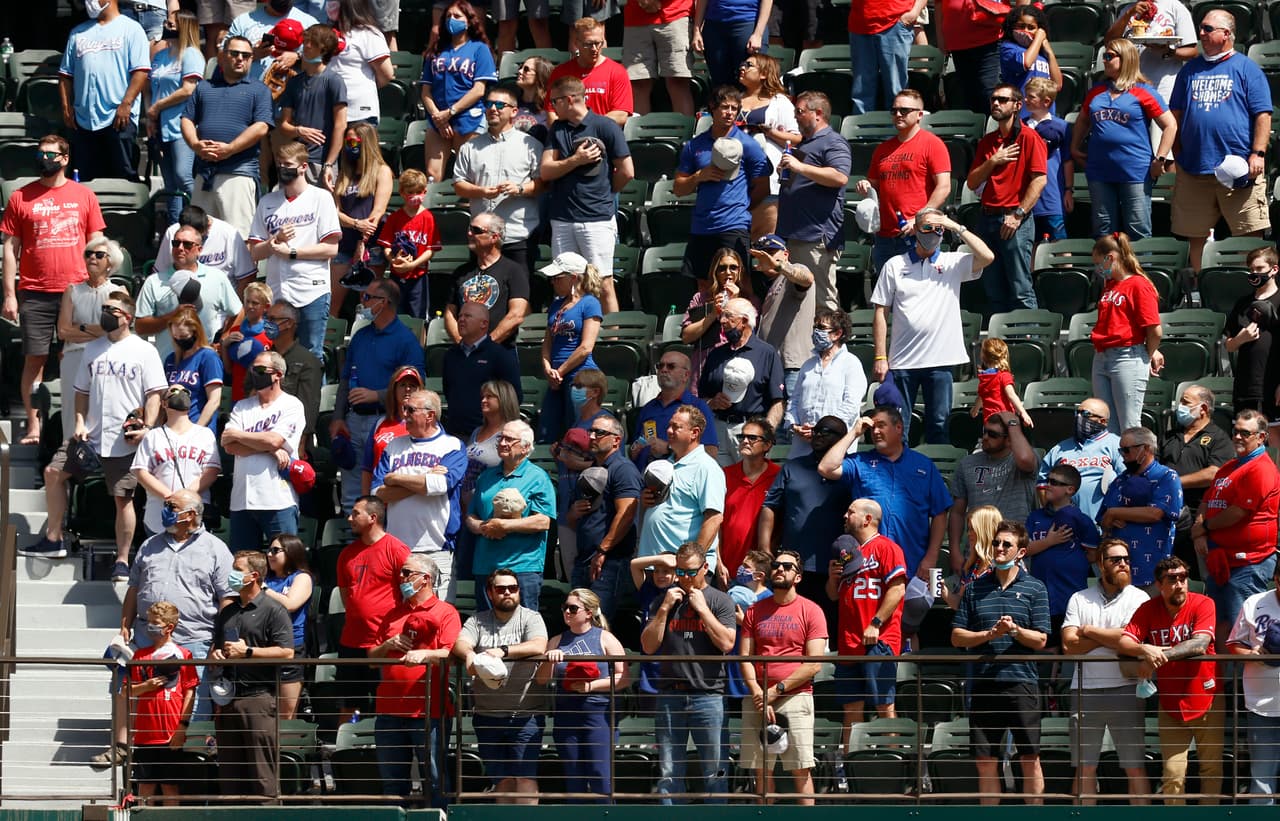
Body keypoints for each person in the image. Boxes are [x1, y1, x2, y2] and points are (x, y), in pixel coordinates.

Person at [93, 489, 233, 769]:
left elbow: (226, 599)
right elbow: (134, 587)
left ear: (191, 514)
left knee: (191, 704)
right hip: (147, 636)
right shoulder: (150, 545)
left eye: (172, 506)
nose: (165, 509)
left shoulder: (216, 548)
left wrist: (221, 639)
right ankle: (122, 747)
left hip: (194, 639)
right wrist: (124, 626)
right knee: (129, 689)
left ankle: (189, 761)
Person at [1, 134, 105, 448]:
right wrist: (9, 294)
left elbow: (97, 243)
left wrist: (97, 286)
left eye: (50, 154)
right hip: (35, 290)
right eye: (40, 153)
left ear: (64, 158)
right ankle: (34, 426)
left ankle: (81, 422)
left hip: (76, 291)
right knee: (35, 358)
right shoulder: (21, 197)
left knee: (80, 356)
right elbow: (10, 248)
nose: (44, 159)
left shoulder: (84, 196)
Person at [871, 208, 995, 444]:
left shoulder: (953, 262)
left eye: (938, 228)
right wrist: (880, 357)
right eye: (928, 227)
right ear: (915, 229)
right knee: (899, 427)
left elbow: (987, 257)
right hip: (902, 362)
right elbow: (880, 312)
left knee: (939, 426)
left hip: (940, 361)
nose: (933, 232)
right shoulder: (895, 265)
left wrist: (953, 225)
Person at [68, 292, 168, 579]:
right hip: (90, 437)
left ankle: (122, 560)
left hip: (124, 440)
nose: (105, 314)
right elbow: (81, 392)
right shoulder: (92, 349)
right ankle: (54, 537)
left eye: (111, 310)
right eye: (104, 309)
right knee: (53, 472)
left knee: (123, 498)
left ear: (127, 317)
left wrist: (146, 427)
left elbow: (154, 395)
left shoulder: (144, 350)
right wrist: (78, 421)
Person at [951, 521, 1051, 805]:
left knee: (1030, 757)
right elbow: (957, 637)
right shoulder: (975, 588)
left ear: (1021, 552)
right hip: (984, 683)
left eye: (1007, 544)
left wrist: (1016, 631)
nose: (999, 548)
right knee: (985, 760)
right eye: (996, 543)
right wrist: (989, 634)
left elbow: (1042, 639)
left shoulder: (1035, 588)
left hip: (1022, 683)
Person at [1169, 9, 1272, 272]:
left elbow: (1262, 114)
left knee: (1250, 235)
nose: (1200, 34)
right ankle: (1203, 289)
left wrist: (1257, 153)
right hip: (1194, 168)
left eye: (1207, 28)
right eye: (1200, 29)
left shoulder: (1247, 68)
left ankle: (1252, 288)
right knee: (1196, 237)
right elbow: (1175, 115)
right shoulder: (1189, 70)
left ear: (1226, 34)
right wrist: (1176, 152)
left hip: (1240, 168)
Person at [1118, 556, 1222, 804]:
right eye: (1172, 579)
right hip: (1171, 704)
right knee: (1173, 775)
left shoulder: (1203, 603)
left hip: (1207, 699)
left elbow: (1200, 644)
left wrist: (1158, 654)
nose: (1180, 584)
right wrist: (1144, 650)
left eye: (1183, 578)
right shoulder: (1149, 609)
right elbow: (1125, 641)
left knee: (1212, 771)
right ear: (1159, 584)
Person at [640, 541, 737, 803]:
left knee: (714, 771)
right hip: (670, 695)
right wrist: (663, 609)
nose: (685, 578)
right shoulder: (664, 599)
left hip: (709, 696)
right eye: (680, 572)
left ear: (705, 567)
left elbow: (727, 644)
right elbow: (648, 647)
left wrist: (703, 609)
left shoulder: (720, 600)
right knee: (669, 772)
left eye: (691, 572)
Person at [1061, 538, 1153, 804]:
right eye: (1116, 560)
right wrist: (1115, 637)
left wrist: (1088, 630)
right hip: (1084, 690)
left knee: (1134, 765)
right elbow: (1069, 645)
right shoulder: (1079, 598)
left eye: (1126, 559)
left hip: (1126, 688)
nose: (1123, 564)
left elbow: (1135, 642)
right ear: (1101, 564)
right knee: (1085, 766)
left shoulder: (1140, 598)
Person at [818, 405, 953, 580]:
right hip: (867, 564)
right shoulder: (861, 462)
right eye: (872, 427)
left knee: (913, 606)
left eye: (881, 425)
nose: (875, 431)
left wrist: (932, 555)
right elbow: (825, 468)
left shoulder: (924, 465)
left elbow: (940, 513)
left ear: (899, 428)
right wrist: (854, 433)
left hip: (912, 561)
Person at [368, 553, 461, 807]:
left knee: (434, 779)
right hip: (388, 711)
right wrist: (387, 645)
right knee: (392, 782)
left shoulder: (446, 612)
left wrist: (425, 654)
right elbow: (372, 659)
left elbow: (451, 654)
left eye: (407, 573)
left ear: (425, 579)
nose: (401, 578)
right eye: (401, 573)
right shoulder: (392, 614)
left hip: (427, 711)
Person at [738, 548, 828, 805]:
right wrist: (757, 691)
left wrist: (775, 690)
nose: (779, 569)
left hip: (796, 696)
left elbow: (814, 663)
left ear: (798, 577)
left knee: (800, 768)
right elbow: (745, 656)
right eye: (776, 565)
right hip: (757, 697)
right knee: (761, 769)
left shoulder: (812, 611)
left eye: (787, 566)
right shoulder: (754, 611)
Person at [452, 570, 549, 804]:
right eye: (501, 588)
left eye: (513, 588)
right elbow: (460, 642)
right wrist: (468, 655)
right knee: (502, 780)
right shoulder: (477, 620)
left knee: (525, 779)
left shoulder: (531, 617)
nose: (507, 592)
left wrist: (503, 651)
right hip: (487, 715)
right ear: (490, 592)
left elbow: (539, 645)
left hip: (525, 716)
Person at [540, 75, 634, 314]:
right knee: (564, 283)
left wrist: (606, 191)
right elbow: (546, 171)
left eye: (555, 101)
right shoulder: (557, 129)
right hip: (562, 219)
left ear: (570, 100)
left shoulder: (605, 126)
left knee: (603, 284)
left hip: (597, 218)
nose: (552, 107)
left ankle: (611, 340)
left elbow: (627, 171)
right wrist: (576, 160)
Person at [332, 277, 426, 511]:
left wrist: (377, 395)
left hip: (387, 422)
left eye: (367, 297)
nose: (362, 301)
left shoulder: (405, 341)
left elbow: (417, 385)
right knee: (351, 495)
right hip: (353, 422)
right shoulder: (361, 336)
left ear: (383, 302)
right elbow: (345, 379)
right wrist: (337, 417)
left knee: (383, 485)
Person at [210, 549, 295, 801]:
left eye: (237, 570)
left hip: (258, 698)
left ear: (254, 575)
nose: (231, 575)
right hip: (227, 700)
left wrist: (247, 651)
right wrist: (214, 656)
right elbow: (216, 647)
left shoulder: (273, 610)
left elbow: (287, 652)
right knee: (230, 776)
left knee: (262, 775)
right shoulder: (227, 611)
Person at [1071, 39, 1176, 239]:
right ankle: (1105, 271)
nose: (1105, 60)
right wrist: (1075, 147)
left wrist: (1160, 158)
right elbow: (1083, 121)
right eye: (1104, 56)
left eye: (1110, 56)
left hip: (1134, 170)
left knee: (1138, 228)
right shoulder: (1096, 92)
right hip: (1100, 170)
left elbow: (1170, 125)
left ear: (1126, 59)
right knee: (1103, 229)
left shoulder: (1144, 91)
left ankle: (1140, 270)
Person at [1192, 409, 1280, 649]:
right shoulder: (1228, 467)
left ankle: (1240, 684)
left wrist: (1204, 528)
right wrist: (1199, 530)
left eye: (1245, 433)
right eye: (1235, 431)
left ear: (1261, 437)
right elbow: (1206, 501)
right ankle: (1224, 683)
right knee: (1221, 624)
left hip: (1248, 563)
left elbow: (1237, 512)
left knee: (1240, 627)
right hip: (1220, 559)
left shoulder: (1261, 468)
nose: (1238, 437)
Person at [248, 141, 342, 361]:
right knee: (278, 355)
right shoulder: (268, 201)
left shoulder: (321, 198)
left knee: (312, 355)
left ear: (303, 166)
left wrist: (292, 252)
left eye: (288, 164)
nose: (283, 168)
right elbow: (255, 252)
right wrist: (274, 242)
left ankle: (314, 397)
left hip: (311, 289)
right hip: (278, 290)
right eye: (280, 164)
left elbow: (331, 247)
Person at [372, 389, 468, 602]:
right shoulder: (393, 446)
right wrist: (424, 480)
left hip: (436, 549)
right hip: (397, 550)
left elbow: (440, 484)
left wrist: (395, 478)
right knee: (399, 619)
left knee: (436, 619)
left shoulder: (451, 446)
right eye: (404, 409)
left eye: (410, 410)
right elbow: (378, 496)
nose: (404, 414)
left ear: (430, 415)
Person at [535, 589, 629, 802]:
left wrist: (591, 687)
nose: (567, 612)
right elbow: (541, 680)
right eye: (565, 608)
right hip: (566, 715)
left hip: (598, 714)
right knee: (573, 776)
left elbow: (624, 678)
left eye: (573, 608)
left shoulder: (605, 638)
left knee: (600, 775)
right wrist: (548, 661)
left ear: (588, 612)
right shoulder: (557, 640)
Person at [827, 499, 907, 745]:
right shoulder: (846, 551)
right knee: (851, 709)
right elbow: (832, 595)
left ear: (867, 519)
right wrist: (832, 578)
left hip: (878, 639)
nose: (845, 515)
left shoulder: (887, 547)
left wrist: (875, 622)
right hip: (849, 640)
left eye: (850, 512)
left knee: (884, 705)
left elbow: (898, 590)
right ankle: (850, 767)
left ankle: (895, 763)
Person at [675, 86, 771, 284]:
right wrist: (698, 177)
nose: (729, 113)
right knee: (704, 286)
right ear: (713, 107)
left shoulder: (748, 145)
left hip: (734, 225)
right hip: (702, 226)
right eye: (725, 107)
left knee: (739, 284)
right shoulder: (695, 145)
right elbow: (678, 188)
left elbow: (763, 185)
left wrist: (740, 208)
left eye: (734, 109)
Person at [181, 36, 274, 238]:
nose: (240, 58)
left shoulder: (259, 90)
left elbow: (261, 127)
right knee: (196, 237)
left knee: (238, 239)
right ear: (222, 56)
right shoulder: (204, 87)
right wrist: (196, 145)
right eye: (234, 53)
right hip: (204, 173)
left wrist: (230, 149)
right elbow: (187, 120)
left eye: (246, 55)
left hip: (238, 174)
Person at [966, 84, 1047, 314]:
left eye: (1003, 99)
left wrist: (1018, 214)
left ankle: (1029, 339)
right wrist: (993, 161)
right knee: (994, 290)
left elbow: (1039, 180)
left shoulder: (1030, 138)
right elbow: (972, 182)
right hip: (987, 218)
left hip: (1014, 219)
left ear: (1017, 106)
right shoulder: (987, 142)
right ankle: (1001, 347)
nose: (996, 103)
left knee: (1020, 288)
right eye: (993, 99)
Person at [758, 417, 854, 609]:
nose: (818, 434)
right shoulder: (793, 467)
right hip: (794, 564)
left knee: (829, 627)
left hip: (835, 565)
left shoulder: (852, 469)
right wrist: (764, 546)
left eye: (826, 431)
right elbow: (770, 506)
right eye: (817, 430)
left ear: (842, 438)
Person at [452, 85, 544, 272]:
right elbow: (459, 184)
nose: (493, 108)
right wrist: (482, 191)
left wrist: (519, 189)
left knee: (521, 294)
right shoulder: (471, 147)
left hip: (519, 235)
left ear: (514, 111)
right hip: (482, 237)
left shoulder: (530, 145)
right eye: (489, 104)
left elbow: (543, 184)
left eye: (500, 104)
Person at [221, 351, 307, 549]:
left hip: (278, 499)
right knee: (244, 566)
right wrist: (269, 450)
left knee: (285, 563)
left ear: (278, 374)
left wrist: (243, 437)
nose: (254, 374)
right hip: (242, 500)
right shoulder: (242, 406)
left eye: (260, 370)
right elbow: (228, 444)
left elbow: (274, 439)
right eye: (253, 369)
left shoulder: (291, 405)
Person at [336, 495, 412, 723]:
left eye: (355, 513)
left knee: (384, 703)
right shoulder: (346, 554)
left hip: (383, 642)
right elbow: (345, 595)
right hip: (351, 640)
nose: (349, 518)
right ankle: (345, 751)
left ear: (373, 517)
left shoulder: (396, 549)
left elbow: (411, 594)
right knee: (348, 703)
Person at [859, 89, 952, 274]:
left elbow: (944, 186)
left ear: (919, 115)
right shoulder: (883, 149)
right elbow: (873, 185)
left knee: (919, 293)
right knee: (886, 296)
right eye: (894, 111)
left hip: (917, 234)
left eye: (904, 110)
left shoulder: (932, 144)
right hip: (884, 236)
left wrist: (919, 219)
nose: (898, 114)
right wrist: (865, 186)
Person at [468, 420, 556, 611]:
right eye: (501, 438)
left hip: (521, 569)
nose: (502, 443)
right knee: (486, 632)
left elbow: (543, 521)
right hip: (486, 567)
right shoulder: (486, 477)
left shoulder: (538, 477)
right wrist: (484, 527)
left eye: (509, 439)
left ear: (525, 447)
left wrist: (503, 526)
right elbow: (471, 516)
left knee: (522, 630)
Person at [58, 0, 149, 181]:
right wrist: (66, 108)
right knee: (86, 181)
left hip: (118, 118)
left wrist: (126, 103)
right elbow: (65, 75)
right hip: (84, 120)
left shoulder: (132, 29)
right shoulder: (78, 32)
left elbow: (141, 72)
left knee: (122, 178)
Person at [776, 91, 850, 312]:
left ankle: (831, 345)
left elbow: (840, 176)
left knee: (821, 303)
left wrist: (800, 168)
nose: (795, 117)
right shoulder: (807, 144)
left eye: (799, 112)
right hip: (796, 234)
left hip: (815, 236)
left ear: (818, 113)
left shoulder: (833, 141)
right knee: (800, 302)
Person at [127, 601, 199, 806]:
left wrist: (182, 728)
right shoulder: (140, 655)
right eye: (148, 622)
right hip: (144, 734)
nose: (150, 627)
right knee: (145, 786)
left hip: (171, 734)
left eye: (155, 623)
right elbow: (126, 690)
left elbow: (190, 691)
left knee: (170, 786)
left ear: (169, 627)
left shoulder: (184, 655)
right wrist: (146, 686)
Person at [1091, 233, 1165, 432]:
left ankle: (1135, 464)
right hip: (1102, 355)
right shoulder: (1111, 285)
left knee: (1129, 426)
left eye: (1099, 263)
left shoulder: (1139, 285)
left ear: (1111, 258)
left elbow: (1154, 330)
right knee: (1104, 425)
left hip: (1127, 356)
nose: (1098, 269)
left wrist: (1147, 355)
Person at [137, 222, 242, 362]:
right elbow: (140, 326)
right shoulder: (154, 281)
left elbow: (238, 312)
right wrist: (170, 317)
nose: (180, 248)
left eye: (187, 244)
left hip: (204, 366)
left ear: (199, 249)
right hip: (166, 366)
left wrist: (222, 341)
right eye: (176, 243)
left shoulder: (217, 277)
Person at [638, 405, 726, 571]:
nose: (669, 431)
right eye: (669, 426)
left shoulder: (706, 467)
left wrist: (691, 565)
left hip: (682, 572)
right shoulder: (665, 465)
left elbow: (714, 519)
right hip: (654, 567)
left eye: (676, 427)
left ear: (695, 433)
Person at [949, 411, 1039, 574]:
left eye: (993, 434)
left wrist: (1013, 423)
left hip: (1014, 554)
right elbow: (957, 512)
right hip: (977, 554)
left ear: (1009, 438)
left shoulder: (1022, 459)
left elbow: (1026, 460)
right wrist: (954, 550)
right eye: (984, 431)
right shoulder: (967, 463)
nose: (985, 437)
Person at [129, 384, 222, 538]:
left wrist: (187, 496)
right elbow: (140, 471)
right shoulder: (153, 436)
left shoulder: (205, 434)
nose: (180, 393)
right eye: (174, 391)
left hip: (194, 513)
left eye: (185, 391)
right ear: (164, 403)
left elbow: (212, 471)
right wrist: (170, 497)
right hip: (158, 513)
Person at [420, 0, 496, 183]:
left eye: (457, 16)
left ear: (469, 21)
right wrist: (438, 117)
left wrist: (450, 112)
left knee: (468, 175)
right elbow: (425, 92)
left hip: (467, 117)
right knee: (432, 175)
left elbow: (479, 90)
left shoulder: (480, 49)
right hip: (438, 119)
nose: (451, 20)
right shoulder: (436, 51)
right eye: (448, 16)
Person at [1098, 426, 1183, 589]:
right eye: (1120, 451)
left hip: (1151, 571)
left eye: (1127, 450)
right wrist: (1109, 518)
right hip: (1119, 573)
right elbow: (1104, 517)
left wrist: (1116, 512)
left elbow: (1155, 513)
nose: (1123, 456)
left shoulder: (1166, 476)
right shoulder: (1120, 480)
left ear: (1146, 448)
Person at [1161, 385, 1235, 574]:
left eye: (1186, 402)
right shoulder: (1170, 435)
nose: (1180, 407)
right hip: (1166, 512)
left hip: (1198, 515)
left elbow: (1214, 473)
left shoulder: (1219, 438)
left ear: (1203, 409)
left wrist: (1174, 482)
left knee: (1193, 572)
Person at [52, 236, 118, 444]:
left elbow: (113, 330)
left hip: (105, 356)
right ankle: (70, 462)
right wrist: (96, 330)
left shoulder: (117, 293)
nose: (92, 259)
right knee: (72, 411)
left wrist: (79, 328)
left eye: (99, 255)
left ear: (110, 263)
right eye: (88, 254)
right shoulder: (72, 290)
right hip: (74, 356)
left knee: (102, 408)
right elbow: (63, 331)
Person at [1026, 462, 1100, 644]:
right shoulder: (1035, 517)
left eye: (1054, 482)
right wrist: (1049, 542)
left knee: (1069, 646)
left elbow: (1094, 554)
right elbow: (1023, 550)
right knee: (1045, 646)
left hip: (1071, 594)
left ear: (1070, 489)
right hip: (1041, 595)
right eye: (1047, 480)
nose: (1047, 485)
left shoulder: (1082, 520)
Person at [699, 298, 787, 450]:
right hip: (717, 429)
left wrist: (765, 434)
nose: (722, 321)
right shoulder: (716, 354)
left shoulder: (766, 353)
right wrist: (711, 403)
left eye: (728, 316)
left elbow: (778, 402)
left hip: (750, 431)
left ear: (744, 320)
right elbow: (702, 396)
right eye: (722, 316)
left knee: (747, 474)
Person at [1226, 561, 1280, 804]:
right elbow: (1233, 645)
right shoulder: (1254, 603)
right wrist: (1252, 654)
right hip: (1262, 705)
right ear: (1276, 579)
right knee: (1261, 779)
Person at [537, 253, 604, 443]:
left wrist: (559, 371)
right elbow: (547, 341)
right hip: (556, 378)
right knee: (545, 433)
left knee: (577, 430)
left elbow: (586, 347)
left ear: (573, 277)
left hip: (580, 376)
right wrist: (547, 368)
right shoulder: (556, 305)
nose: (552, 282)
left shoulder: (590, 303)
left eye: (557, 278)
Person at [442, 213, 530, 356]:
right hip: (464, 353)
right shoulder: (461, 272)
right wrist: (461, 344)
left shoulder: (513, 270)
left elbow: (517, 314)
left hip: (500, 352)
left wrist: (486, 345)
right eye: (469, 228)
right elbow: (450, 314)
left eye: (476, 230)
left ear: (494, 237)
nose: (469, 233)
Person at [330, 122, 394, 316]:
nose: (350, 145)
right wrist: (356, 224)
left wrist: (362, 242)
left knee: (368, 305)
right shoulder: (345, 173)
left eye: (353, 141)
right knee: (332, 303)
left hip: (370, 245)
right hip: (344, 244)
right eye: (347, 141)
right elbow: (334, 212)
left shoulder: (382, 171)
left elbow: (378, 211)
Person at [148, 11, 204, 229]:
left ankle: (202, 220)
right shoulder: (161, 56)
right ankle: (175, 228)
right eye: (166, 22)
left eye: (171, 24)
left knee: (183, 176)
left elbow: (189, 89)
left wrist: (158, 107)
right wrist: (151, 117)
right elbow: (152, 89)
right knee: (170, 183)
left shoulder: (191, 54)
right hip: (160, 126)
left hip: (182, 125)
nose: (166, 26)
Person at [785, 308, 865, 457]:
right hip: (802, 447)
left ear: (837, 333)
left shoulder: (851, 363)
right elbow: (794, 400)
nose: (816, 332)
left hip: (835, 447)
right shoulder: (807, 365)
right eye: (815, 327)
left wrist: (822, 430)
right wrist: (795, 426)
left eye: (821, 328)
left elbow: (851, 405)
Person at [738, 55, 800, 238]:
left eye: (748, 65)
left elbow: (796, 138)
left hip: (767, 180)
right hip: (737, 179)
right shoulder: (733, 100)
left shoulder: (779, 102)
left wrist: (770, 132)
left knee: (765, 241)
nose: (742, 67)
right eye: (743, 63)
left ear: (764, 73)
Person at [278, 24, 348, 185]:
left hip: (321, 162)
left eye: (313, 43)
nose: (307, 45)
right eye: (306, 41)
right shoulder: (294, 82)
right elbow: (284, 126)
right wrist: (298, 130)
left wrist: (329, 163)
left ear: (324, 49)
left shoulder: (334, 80)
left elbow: (340, 125)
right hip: (295, 160)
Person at [442, 304, 523, 437]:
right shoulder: (450, 355)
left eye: (467, 316)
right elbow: (448, 391)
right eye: (460, 316)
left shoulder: (500, 355)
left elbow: (514, 397)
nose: (461, 319)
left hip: (488, 436)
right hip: (455, 434)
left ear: (484, 324)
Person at [1039, 397, 1124, 522]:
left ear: (1103, 421)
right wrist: (1051, 512)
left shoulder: (1116, 444)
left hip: (1104, 523)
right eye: (1077, 413)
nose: (1079, 417)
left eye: (1085, 414)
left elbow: (1128, 480)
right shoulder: (1059, 448)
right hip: (1065, 526)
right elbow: (1042, 484)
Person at [630, 352, 719, 470]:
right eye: (660, 366)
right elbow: (635, 446)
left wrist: (669, 448)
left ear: (686, 375)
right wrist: (634, 451)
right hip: (644, 480)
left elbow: (710, 453)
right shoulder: (648, 408)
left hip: (678, 480)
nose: (664, 370)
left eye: (671, 366)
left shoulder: (698, 407)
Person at [682, 249, 751, 392]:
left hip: (734, 368)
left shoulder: (749, 299)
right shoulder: (700, 298)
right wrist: (713, 313)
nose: (728, 272)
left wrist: (735, 301)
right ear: (715, 272)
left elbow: (749, 336)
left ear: (740, 271)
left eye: (733, 267)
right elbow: (686, 337)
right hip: (703, 365)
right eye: (722, 268)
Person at [1105, 0, 1198, 107]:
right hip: (1130, 89)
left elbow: (1192, 52)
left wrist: (1167, 51)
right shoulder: (1127, 10)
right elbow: (1109, 42)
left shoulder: (1175, 6)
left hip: (1163, 90)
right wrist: (1128, 14)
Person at [262, 533, 313, 721]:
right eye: (268, 550)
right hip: (264, 647)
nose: (269, 555)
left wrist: (262, 589)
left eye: (275, 550)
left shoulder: (301, 578)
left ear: (291, 552)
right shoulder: (266, 578)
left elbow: (291, 604)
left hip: (291, 647)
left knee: (286, 713)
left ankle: (286, 750)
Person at [548, 18, 634, 127]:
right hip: (568, 135)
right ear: (576, 43)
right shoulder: (560, 73)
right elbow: (552, 115)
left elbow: (621, 114)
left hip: (603, 135)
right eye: (588, 44)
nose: (594, 49)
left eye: (598, 43)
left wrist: (587, 125)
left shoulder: (617, 71)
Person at [721, 417, 780, 574]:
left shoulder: (779, 477)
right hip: (727, 567)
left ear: (767, 445)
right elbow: (716, 521)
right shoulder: (725, 474)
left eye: (752, 438)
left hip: (761, 569)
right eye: (742, 437)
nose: (745, 441)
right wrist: (718, 563)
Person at [155, 205, 257, 294]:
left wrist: (236, 312)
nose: (181, 247)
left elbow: (247, 276)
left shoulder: (228, 233)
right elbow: (159, 275)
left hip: (221, 309)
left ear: (208, 226)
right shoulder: (173, 233)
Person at [379, 169, 439, 319]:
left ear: (425, 191)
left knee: (417, 318)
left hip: (418, 276)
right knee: (393, 315)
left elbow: (430, 250)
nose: (415, 196)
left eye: (419, 192)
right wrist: (393, 260)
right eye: (411, 192)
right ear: (402, 192)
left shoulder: (428, 218)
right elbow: (386, 246)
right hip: (396, 275)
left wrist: (413, 264)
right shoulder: (394, 218)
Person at [1226, 247, 1280, 415]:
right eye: (1251, 269)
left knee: (1274, 436)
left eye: (1259, 269)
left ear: (1274, 269)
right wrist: (1240, 339)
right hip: (1246, 386)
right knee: (1244, 436)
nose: (1254, 273)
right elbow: (1229, 346)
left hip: (1273, 382)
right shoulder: (1242, 303)